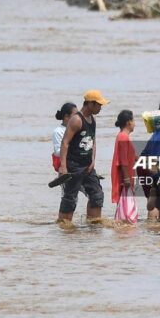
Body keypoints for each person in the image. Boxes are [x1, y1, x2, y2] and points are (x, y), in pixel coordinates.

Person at [58, 90, 109, 222]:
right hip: (74, 166)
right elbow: (65, 143)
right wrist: (63, 167)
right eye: (99, 105)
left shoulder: (93, 119)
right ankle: (64, 226)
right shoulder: (76, 120)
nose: (100, 108)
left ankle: (93, 224)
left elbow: (93, 140)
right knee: (70, 198)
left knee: (97, 194)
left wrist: (93, 160)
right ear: (90, 104)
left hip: (88, 166)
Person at [111, 110, 138, 223]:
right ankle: (124, 233)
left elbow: (130, 157)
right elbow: (123, 161)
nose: (134, 123)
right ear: (128, 122)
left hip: (127, 176)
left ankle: (124, 234)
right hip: (124, 177)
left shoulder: (123, 136)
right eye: (133, 120)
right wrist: (127, 179)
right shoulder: (123, 137)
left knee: (125, 207)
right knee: (126, 210)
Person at [52, 102, 77, 172]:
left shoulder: (78, 128)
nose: (78, 117)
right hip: (65, 164)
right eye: (75, 115)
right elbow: (57, 152)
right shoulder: (58, 131)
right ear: (66, 117)